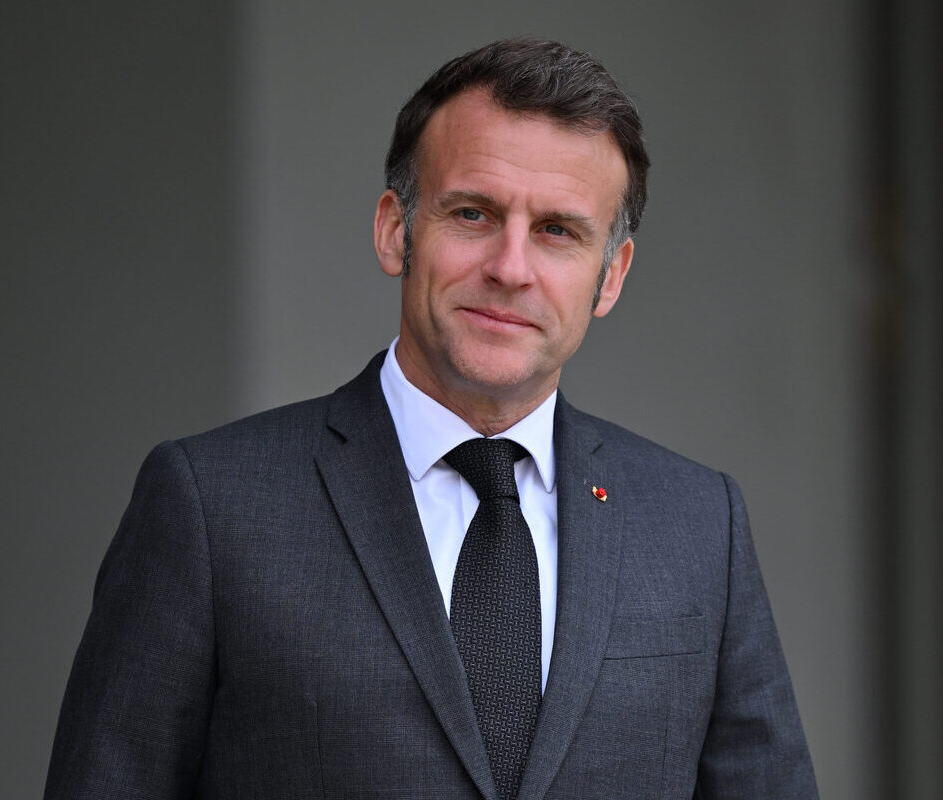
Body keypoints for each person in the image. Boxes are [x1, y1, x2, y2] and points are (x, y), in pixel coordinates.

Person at [44, 38, 818, 800]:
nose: (511, 268)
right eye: (474, 213)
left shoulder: (697, 525)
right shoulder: (211, 505)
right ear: (395, 231)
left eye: (558, 231)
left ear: (609, 275)